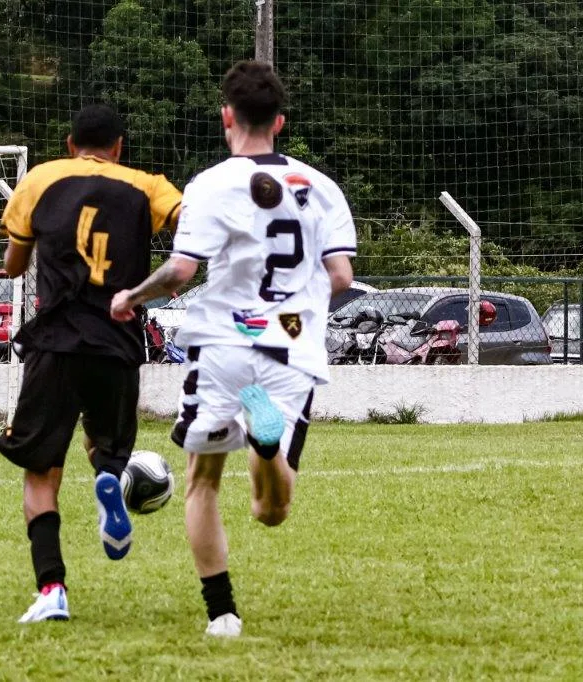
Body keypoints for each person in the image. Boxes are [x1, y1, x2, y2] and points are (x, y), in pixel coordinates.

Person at [110, 60, 356, 637]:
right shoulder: (321, 188)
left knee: (203, 481)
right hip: (290, 343)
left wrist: (131, 296)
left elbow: (180, 271)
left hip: (223, 341)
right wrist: (295, 308)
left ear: (227, 116)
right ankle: (265, 441)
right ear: (280, 122)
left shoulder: (211, 184)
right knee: (271, 511)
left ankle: (222, 614)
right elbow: (341, 276)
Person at [0, 103, 183, 623]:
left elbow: (14, 266)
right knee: (105, 446)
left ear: (69, 142)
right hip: (118, 339)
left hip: (55, 342)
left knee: (41, 471)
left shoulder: (41, 178)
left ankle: (52, 589)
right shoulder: (147, 184)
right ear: (119, 147)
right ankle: (111, 478)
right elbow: (191, 225)